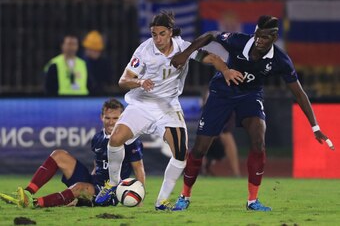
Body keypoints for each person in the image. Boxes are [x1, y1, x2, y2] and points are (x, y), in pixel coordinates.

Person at [170, 15, 335, 211]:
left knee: (259, 139)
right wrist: (187, 53)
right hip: (222, 92)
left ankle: (252, 201)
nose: (258, 40)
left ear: (274, 37)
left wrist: (315, 126)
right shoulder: (238, 40)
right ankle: (184, 196)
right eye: (257, 35)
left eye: (264, 37)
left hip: (250, 96)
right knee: (200, 148)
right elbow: (211, 35)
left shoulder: (281, 60)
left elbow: (299, 93)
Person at [94, 11, 241, 211]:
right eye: (154, 34)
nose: (157, 39)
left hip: (168, 106)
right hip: (142, 104)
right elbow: (122, 80)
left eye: (162, 34)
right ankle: (112, 184)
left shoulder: (183, 48)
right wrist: (139, 81)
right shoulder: (144, 50)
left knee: (180, 154)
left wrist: (226, 70)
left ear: (170, 32)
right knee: (115, 139)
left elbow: (212, 58)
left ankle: (161, 201)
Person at [0, 98, 145, 208]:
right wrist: (92, 178)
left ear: (122, 119)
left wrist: (139, 197)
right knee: (58, 154)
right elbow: (98, 162)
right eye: (107, 118)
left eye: (115, 118)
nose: (111, 122)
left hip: (110, 191)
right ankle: (27, 193)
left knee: (79, 188)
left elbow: (138, 168)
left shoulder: (130, 140)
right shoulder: (97, 137)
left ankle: (36, 203)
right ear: (102, 117)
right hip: (94, 181)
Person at [82, 30, 114, 96]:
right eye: (89, 49)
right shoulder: (81, 62)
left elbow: (108, 82)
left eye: (96, 50)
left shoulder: (105, 63)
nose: (93, 52)